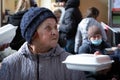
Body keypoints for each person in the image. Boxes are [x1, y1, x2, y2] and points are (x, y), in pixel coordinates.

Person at [0, 7, 86, 80]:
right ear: (32, 34)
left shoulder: (70, 63)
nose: (55, 32)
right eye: (48, 28)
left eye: (55, 27)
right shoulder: (10, 64)